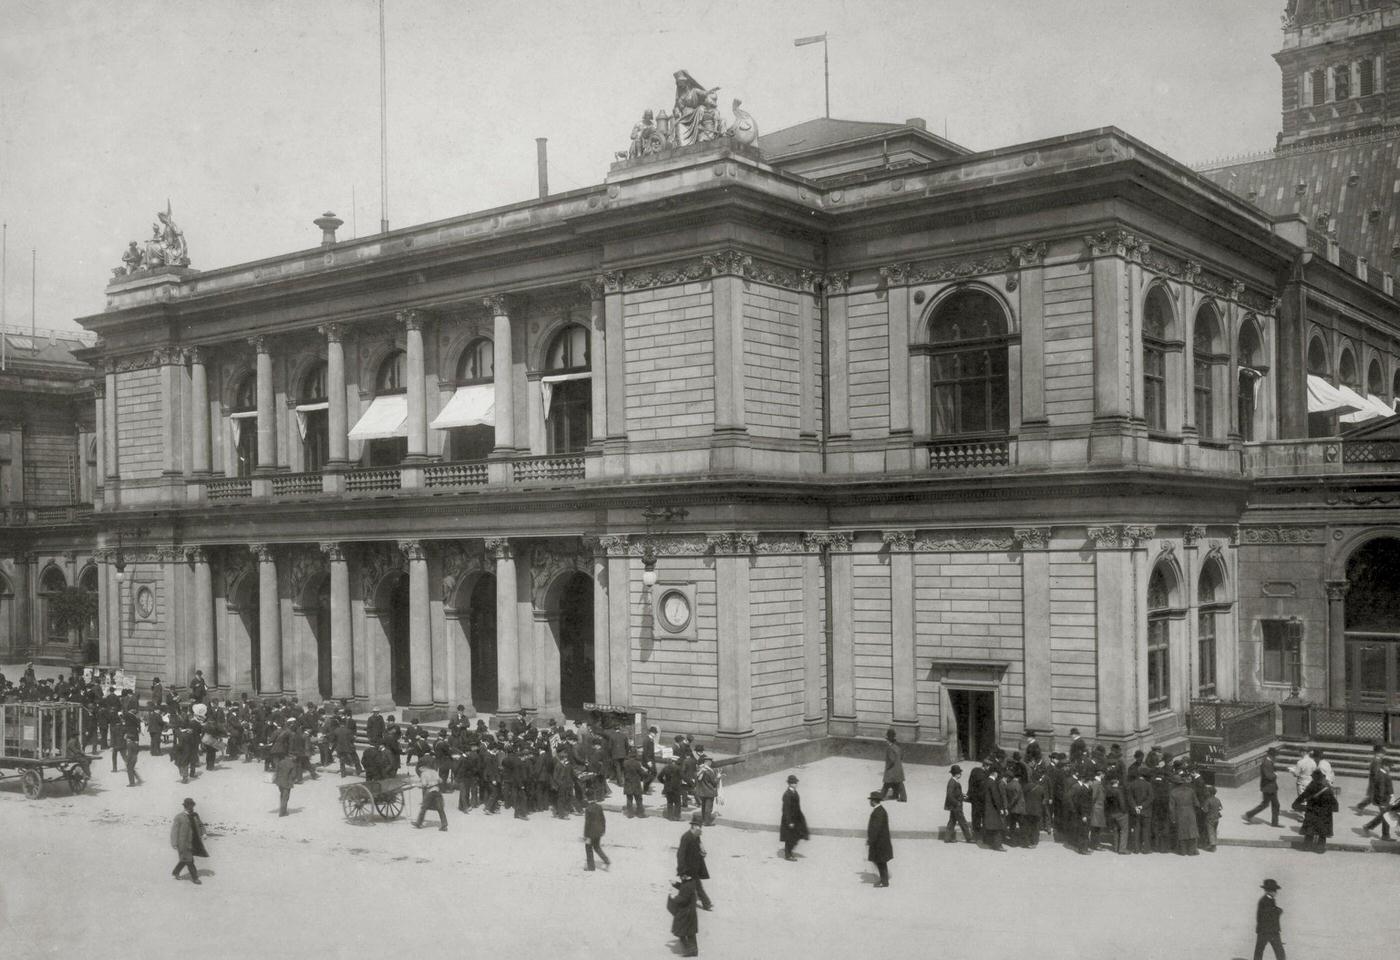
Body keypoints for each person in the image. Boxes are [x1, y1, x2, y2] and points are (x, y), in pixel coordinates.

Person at [1293, 768, 1338, 852]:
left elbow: (1296, 804)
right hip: (1324, 817)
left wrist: (1307, 808)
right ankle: (1320, 847)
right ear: (1322, 778)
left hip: (1311, 814)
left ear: (1313, 778)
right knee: (1323, 830)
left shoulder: (1310, 788)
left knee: (1310, 829)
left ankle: (1307, 845)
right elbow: (1335, 807)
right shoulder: (1327, 790)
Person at [677, 815, 713, 911]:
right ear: (693, 826)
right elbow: (680, 855)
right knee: (694, 886)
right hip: (687, 868)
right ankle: (706, 903)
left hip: (695, 866)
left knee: (693, 886)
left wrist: (702, 850)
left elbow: (699, 843)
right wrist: (682, 870)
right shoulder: (686, 837)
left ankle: (705, 903)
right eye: (698, 826)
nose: (700, 828)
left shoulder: (696, 835)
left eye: (700, 826)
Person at [170, 797, 207, 885]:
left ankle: (176, 872)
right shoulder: (179, 817)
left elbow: (201, 825)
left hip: (194, 842)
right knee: (190, 861)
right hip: (183, 843)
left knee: (184, 859)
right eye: (189, 806)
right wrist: (174, 843)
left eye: (192, 806)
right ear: (185, 806)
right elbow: (174, 831)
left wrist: (204, 833)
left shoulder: (195, 815)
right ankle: (195, 878)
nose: (191, 808)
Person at [1244, 747, 1281, 827]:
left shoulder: (1268, 761)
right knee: (1269, 804)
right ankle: (1249, 814)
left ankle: (1250, 814)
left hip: (1270, 787)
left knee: (1270, 804)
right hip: (1268, 787)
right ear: (1271, 755)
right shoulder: (1266, 763)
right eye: (1275, 755)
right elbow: (1268, 776)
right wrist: (1275, 775)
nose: (1275, 757)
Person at [668, 872, 700, 958]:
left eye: (681, 876)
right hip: (690, 913)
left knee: (682, 932)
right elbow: (684, 888)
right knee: (690, 933)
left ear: (685, 876)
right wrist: (676, 884)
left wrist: (673, 897)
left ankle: (690, 950)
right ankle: (693, 950)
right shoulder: (690, 882)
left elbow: (683, 898)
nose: (680, 877)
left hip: (686, 913)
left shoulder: (688, 885)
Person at [1362, 759, 1394, 839]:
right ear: (1384, 766)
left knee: (1383, 816)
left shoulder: (1383, 773)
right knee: (1387, 817)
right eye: (1389, 767)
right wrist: (1382, 803)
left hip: (1385, 800)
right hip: (1383, 800)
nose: (1390, 768)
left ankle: (1368, 826)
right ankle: (1385, 835)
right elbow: (1381, 790)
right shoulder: (1382, 775)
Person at [1253, 878, 1285, 960]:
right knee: (1279, 952)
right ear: (1269, 891)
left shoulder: (1268, 900)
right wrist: (1278, 911)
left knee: (1260, 951)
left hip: (1265, 931)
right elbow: (1269, 914)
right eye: (1274, 890)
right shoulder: (1265, 900)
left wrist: (1276, 910)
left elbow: (1268, 912)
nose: (1276, 892)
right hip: (1268, 931)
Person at [866, 791, 893, 886]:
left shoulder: (878, 812)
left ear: (873, 801)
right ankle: (883, 880)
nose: (869, 802)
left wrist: (870, 840)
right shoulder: (880, 810)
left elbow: (875, 828)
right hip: (881, 842)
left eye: (870, 800)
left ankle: (884, 882)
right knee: (880, 862)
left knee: (881, 862)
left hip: (879, 843)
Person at [413, 760, 448, 831]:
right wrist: (435, 782)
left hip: (429, 792)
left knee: (424, 807)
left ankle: (418, 823)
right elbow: (440, 780)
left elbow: (424, 785)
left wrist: (416, 785)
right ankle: (444, 824)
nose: (419, 770)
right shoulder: (434, 772)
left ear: (423, 767)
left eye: (420, 768)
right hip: (437, 791)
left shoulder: (424, 774)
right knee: (440, 809)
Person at [779, 774, 808, 860]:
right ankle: (788, 855)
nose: (795, 784)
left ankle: (789, 851)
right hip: (790, 819)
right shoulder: (787, 794)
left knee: (796, 835)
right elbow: (786, 810)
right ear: (790, 784)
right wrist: (789, 822)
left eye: (796, 782)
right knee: (789, 837)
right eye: (794, 783)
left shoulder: (794, 792)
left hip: (796, 818)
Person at [943, 765, 974, 843]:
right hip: (956, 806)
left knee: (952, 821)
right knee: (963, 821)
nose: (961, 774)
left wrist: (963, 795)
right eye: (960, 772)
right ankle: (969, 838)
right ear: (956, 774)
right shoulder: (952, 782)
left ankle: (947, 838)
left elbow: (956, 793)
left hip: (955, 806)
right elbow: (949, 795)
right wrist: (957, 803)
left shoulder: (954, 781)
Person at [583, 797, 609, 870]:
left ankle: (591, 867)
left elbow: (587, 823)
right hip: (599, 831)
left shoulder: (588, 809)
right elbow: (603, 819)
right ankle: (606, 860)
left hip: (590, 833)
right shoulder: (599, 807)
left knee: (588, 848)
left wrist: (585, 835)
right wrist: (603, 829)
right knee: (597, 847)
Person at [880, 728, 906, 802]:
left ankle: (881, 797)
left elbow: (891, 759)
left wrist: (887, 768)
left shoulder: (889, 748)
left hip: (892, 769)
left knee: (887, 783)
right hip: (898, 768)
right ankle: (896, 795)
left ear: (888, 740)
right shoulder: (898, 746)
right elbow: (902, 756)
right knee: (898, 783)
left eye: (886, 739)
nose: (886, 741)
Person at [1202, 784, 1222, 851]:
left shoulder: (1208, 800)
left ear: (1209, 792)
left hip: (1209, 818)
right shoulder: (1217, 800)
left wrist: (1202, 808)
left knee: (1210, 831)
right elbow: (1220, 808)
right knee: (1214, 831)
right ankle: (1214, 843)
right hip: (1216, 818)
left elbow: (1205, 810)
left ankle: (1212, 846)